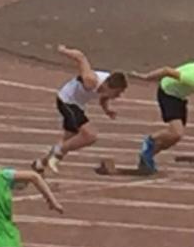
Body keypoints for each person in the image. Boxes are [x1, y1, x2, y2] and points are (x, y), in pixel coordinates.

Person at [32, 45, 128, 175]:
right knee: (90, 135)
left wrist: (107, 110)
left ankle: (40, 164)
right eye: (117, 93)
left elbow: (104, 97)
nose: (118, 96)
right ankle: (58, 152)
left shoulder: (106, 87)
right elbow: (80, 57)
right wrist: (64, 50)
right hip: (66, 101)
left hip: (78, 105)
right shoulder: (91, 80)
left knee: (69, 140)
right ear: (108, 86)